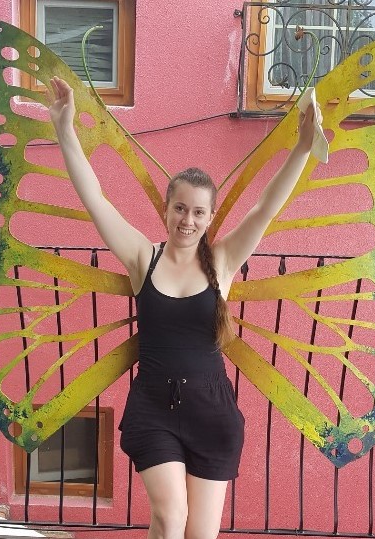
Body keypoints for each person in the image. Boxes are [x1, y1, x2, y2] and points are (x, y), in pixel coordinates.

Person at [48, 76, 320, 539]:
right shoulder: (142, 257)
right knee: (172, 517)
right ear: (167, 209)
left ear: (210, 218)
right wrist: (65, 130)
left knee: (197, 535)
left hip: (211, 412)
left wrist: (302, 147)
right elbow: (97, 201)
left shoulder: (224, 261)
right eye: (179, 209)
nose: (187, 220)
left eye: (197, 212)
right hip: (154, 406)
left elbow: (264, 210)